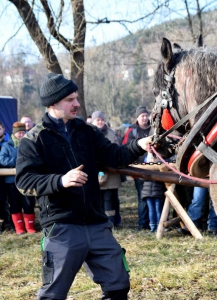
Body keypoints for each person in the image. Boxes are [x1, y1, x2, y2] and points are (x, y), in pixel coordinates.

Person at [15, 73, 153, 300]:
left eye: (76, 98)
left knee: (119, 284)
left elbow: (113, 155)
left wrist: (139, 145)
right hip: (61, 227)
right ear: (53, 103)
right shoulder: (34, 139)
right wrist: (60, 181)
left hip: (97, 223)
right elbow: (24, 182)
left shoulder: (86, 131)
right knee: (53, 295)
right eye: (70, 99)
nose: (77, 103)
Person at [0, 122, 36, 234]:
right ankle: (19, 228)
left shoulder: (29, 144)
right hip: (11, 181)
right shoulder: (7, 145)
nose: (21, 135)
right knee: (15, 204)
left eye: (23, 132)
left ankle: (30, 227)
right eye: (19, 133)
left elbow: (34, 157)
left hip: (27, 179)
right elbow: (2, 160)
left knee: (28, 204)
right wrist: (18, 162)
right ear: (14, 133)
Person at [122, 106, 152, 231]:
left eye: (146, 115)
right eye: (142, 116)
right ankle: (142, 223)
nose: (145, 118)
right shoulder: (132, 131)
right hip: (139, 170)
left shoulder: (153, 129)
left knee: (155, 196)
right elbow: (125, 147)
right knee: (142, 197)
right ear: (137, 118)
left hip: (155, 168)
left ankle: (153, 223)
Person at [91, 111, 122, 228]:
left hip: (111, 175)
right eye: (97, 120)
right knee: (98, 200)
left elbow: (115, 150)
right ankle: (100, 223)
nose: (100, 122)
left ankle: (112, 222)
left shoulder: (111, 134)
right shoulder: (89, 133)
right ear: (93, 121)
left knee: (111, 200)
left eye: (101, 119)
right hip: (95, 174)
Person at [141, 151, 166, 232]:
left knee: (158, 208)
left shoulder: (160, 166)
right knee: (152, 209)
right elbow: (141, 178)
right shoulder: (144, 167)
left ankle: (159, 226)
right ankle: (153, 226)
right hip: (148, 191)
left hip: (157, 191)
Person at [0, 121, 11, 232]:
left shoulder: (9, 142)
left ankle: (7, 220)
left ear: (3, 128)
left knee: (5, 200)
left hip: (8, 176)